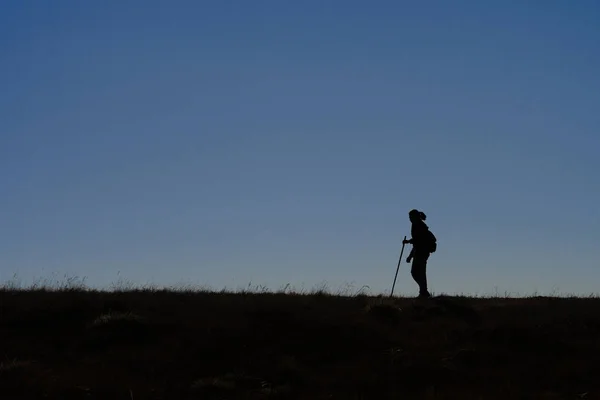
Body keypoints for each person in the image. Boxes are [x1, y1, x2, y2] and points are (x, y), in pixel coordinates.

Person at [403, 209, 436, 298]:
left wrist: (408, 241)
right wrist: (410, 256)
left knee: (419, 272)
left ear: (415, 217)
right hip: (419, 251)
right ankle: (423, 291)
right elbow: (416, 243)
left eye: (411, 217)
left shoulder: (420, 226)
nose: (410, 219)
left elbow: (418, 240)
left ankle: (423, 292)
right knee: (416, 272)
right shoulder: (415, 225)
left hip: (423, 252)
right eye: (409, 217)